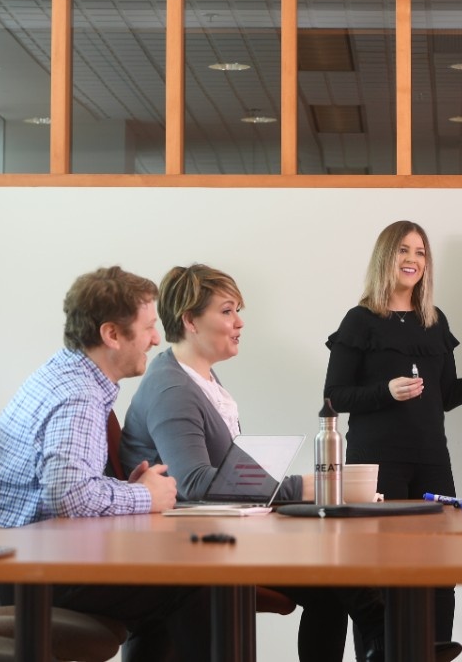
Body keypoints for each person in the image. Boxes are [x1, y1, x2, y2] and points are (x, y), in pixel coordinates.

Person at [118, 263, 395, 662]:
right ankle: (388, 644)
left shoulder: (203, 381)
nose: (239, 322)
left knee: (339, 580)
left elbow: (227, 474)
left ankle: (385, 642)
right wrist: (300, 487)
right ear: (190, 320)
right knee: (343, 581)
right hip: (190, 549)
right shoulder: (171, 387)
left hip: (219, 533)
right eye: (227, 311)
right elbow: (195, 483)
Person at [0, 266, 210, 660]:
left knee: (180, 580)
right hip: (17, 568)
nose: (156, 339)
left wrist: (130, 490)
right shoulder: (78, 397)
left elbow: (67, 487)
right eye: (147, 328)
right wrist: (142, 497)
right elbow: (70, 497)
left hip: (14, 552)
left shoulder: (68, 374)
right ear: (111, 334)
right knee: (196, 583)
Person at [324, 220, 462, 642]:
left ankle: (437, 649)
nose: (412, 260)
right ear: (385, 258)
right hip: (376, 464)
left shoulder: (434, 321)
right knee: (379, 571)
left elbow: (446, 395)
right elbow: (335, 397)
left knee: (442, 567)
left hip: (431, 460)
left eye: (420, 252)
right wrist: (386, 391)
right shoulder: (360, 320)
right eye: (404, 251)